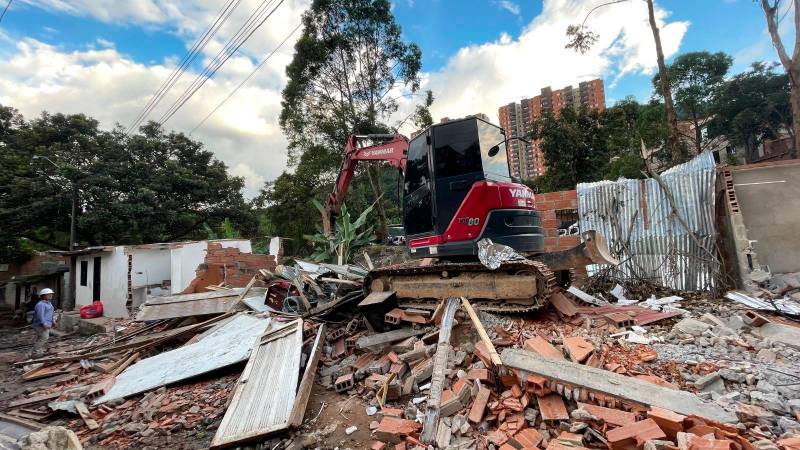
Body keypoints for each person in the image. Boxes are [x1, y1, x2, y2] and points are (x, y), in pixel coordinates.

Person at [31, 288, 56, 357]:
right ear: (43, 296)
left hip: (47, 324)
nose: (51, 295)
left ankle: (37, 350)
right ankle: (35, 352)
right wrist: (44, 323)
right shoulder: (41, 305)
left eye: (51, 294)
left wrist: (53, 321)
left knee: (41, 338)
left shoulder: (49, 303)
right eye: (48, 294)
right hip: (40, 325)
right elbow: (40, 315)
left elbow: (51, 313)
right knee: (44, 337)